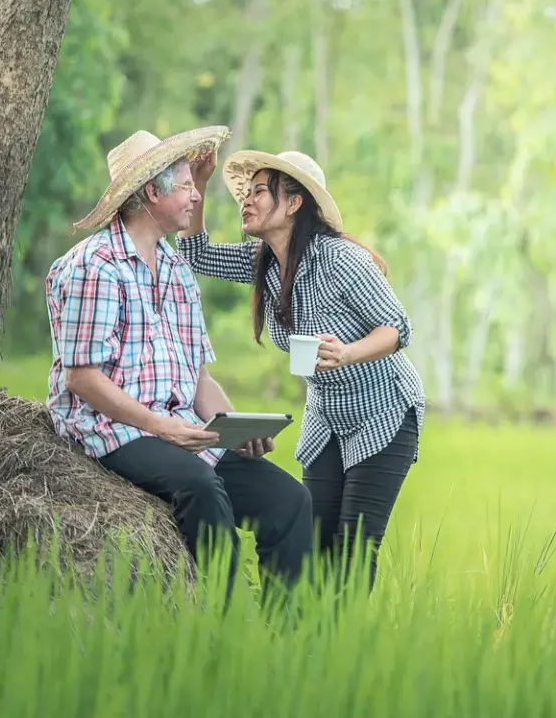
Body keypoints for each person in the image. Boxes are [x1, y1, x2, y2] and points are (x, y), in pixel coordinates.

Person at [44, 127, 314, 600]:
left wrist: (233, 425)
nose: (196, 195)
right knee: (201, 486)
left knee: (289, 500)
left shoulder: (174, 270)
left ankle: (284, 642)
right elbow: (81, 378)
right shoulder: (96, 266)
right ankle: (226, 623)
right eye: (188, 184)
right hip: (112, 427)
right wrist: (162, 427)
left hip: (177, 427)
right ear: (152, 192)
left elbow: (197, 376)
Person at [176, 148, 426, 592]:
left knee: (352, 550)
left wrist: (346, 353)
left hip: (383, 412)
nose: (245, 202)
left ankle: (343, 647)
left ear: (293, 203)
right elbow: (196, 256)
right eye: (245, 193)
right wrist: (199, 184)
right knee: (311, 541)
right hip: (327, 416)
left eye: (258, 192)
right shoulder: (264, 262)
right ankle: (303, 645)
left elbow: (397, 327)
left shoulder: (338, 259)